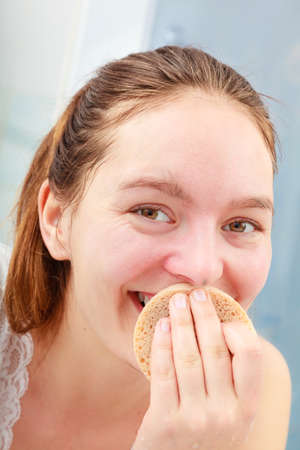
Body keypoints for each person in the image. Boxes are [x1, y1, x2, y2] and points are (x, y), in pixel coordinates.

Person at [0, 45, 291, 450]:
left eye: (240, 224)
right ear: (57, 220)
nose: (202, 269)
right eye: (151, 211)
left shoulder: (259, 387)